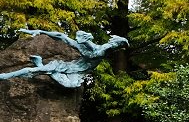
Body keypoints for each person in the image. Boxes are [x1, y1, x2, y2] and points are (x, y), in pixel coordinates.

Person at [0, 29, 128, 88]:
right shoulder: (88, 46)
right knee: (32, 71)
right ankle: (5, 76)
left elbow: (97, 51)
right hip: (69, 66)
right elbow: (62, 36)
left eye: (116, 46)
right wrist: (40, 31)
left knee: (70, 85)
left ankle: (40, 64)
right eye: (115, 44)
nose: (112, 47)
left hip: (78, 72)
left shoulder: (100, 50)